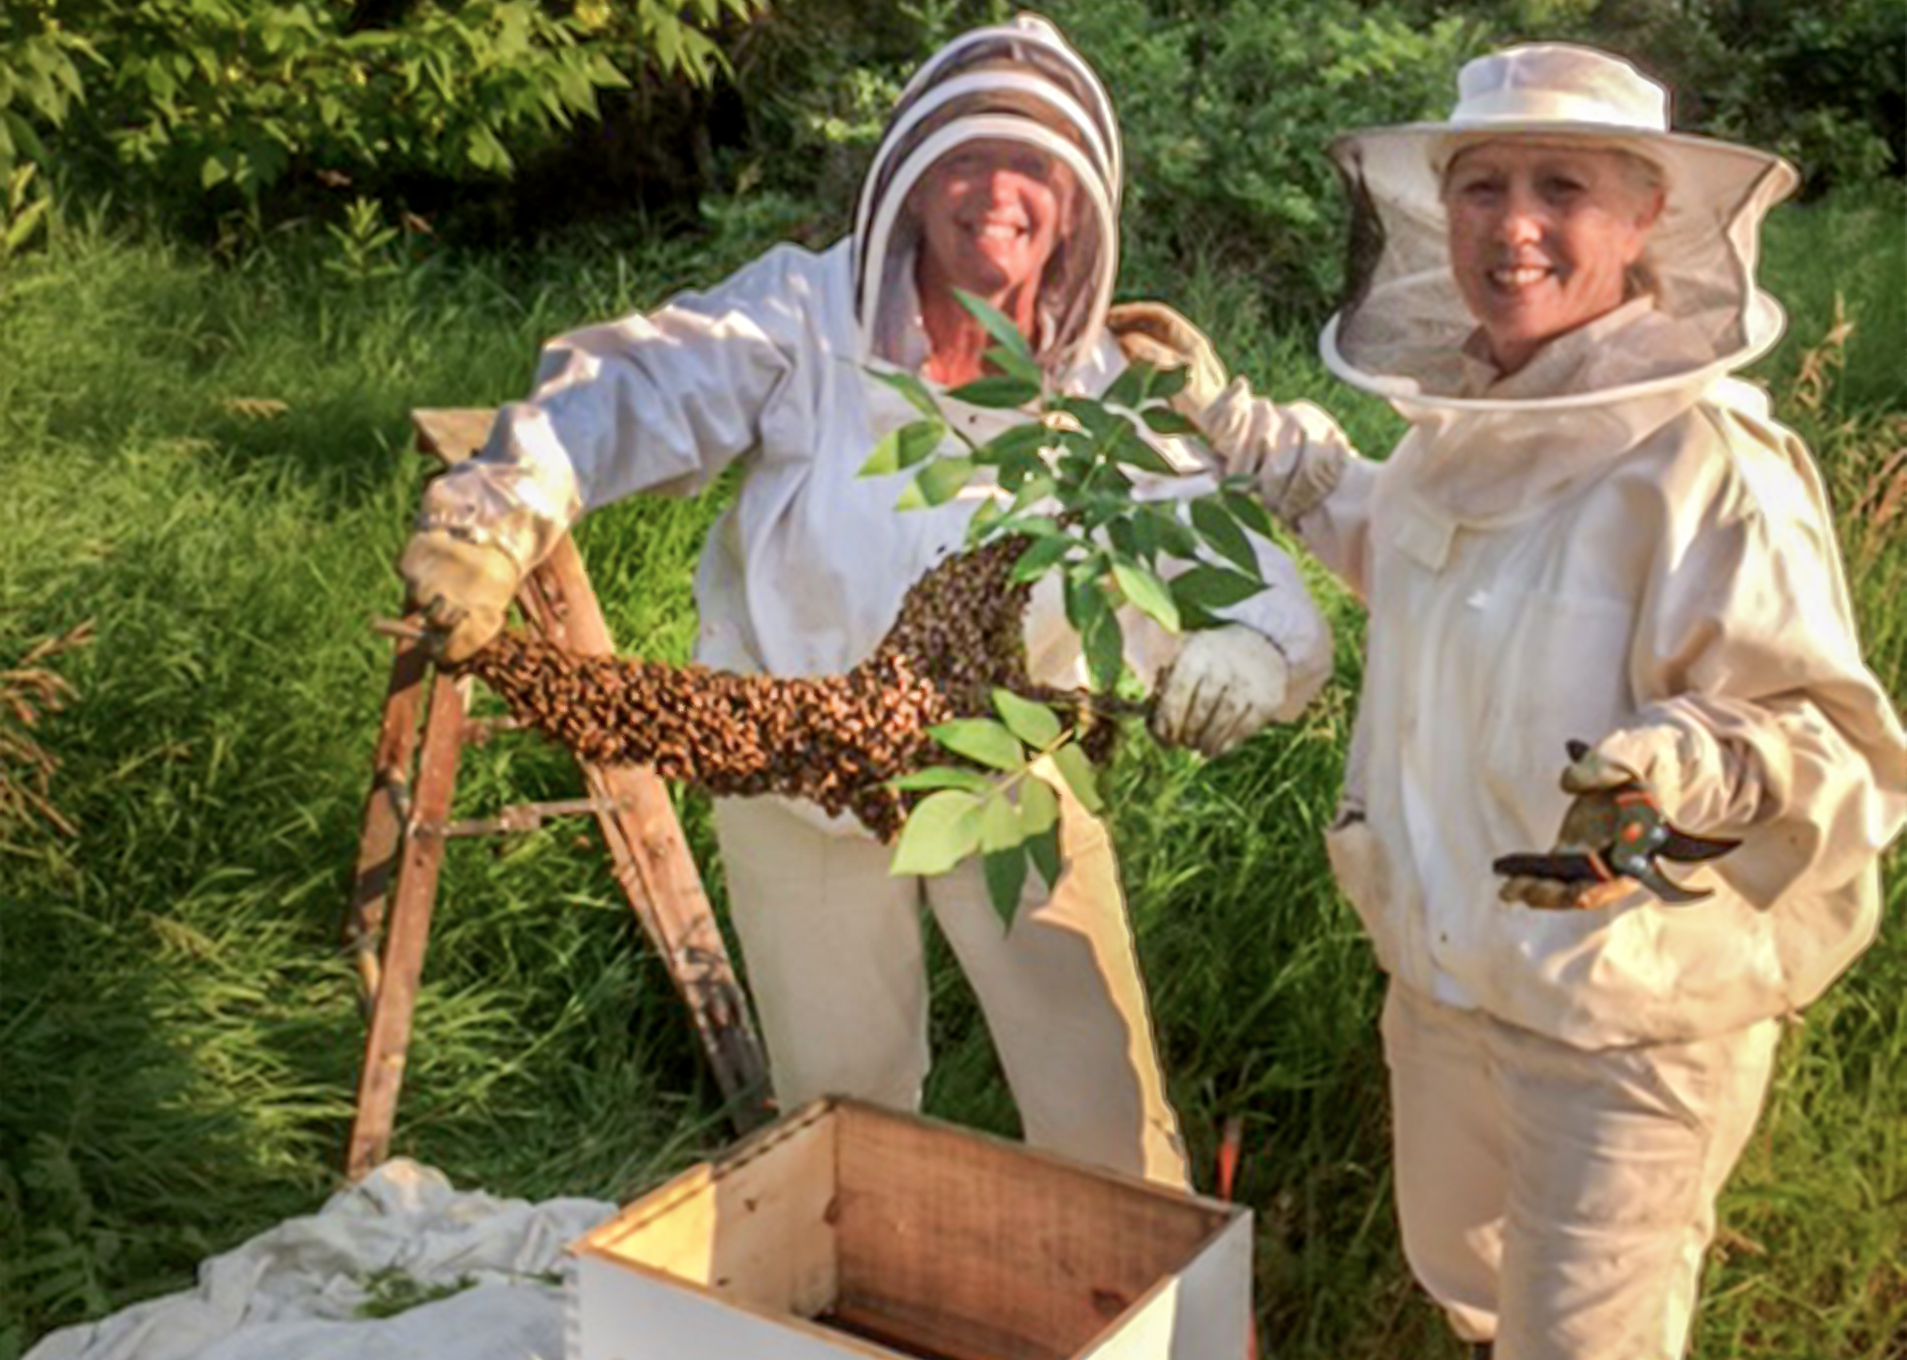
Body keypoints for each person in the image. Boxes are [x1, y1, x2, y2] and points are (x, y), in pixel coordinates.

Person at [394, 15, 1334, 1188]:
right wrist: (498, 511)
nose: (995, 194)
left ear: (1079, 199)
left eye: (1032, 166)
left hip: (1005, 767)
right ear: (909, 176)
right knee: (841, 1110)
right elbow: (645, 381)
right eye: (965, 160)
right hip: (790, 764)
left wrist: (1251, 648)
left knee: (1096, 1094)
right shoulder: (799, 315)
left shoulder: (1105, 393)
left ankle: (1150, 1326)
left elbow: (1233, 561)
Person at [1112, 42, 1907, 1360]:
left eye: (1560, 187)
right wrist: (1236, 426)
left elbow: (1828, 742)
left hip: (1621, 1021)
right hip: (1442, 985)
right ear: (1438, 209)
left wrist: (1672, 761)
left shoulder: (1703, 461)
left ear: (1642, 214)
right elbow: (1410, 553)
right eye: (1481, 185)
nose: (1512, 224)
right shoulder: (1456, 429)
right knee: (1465, 1286)